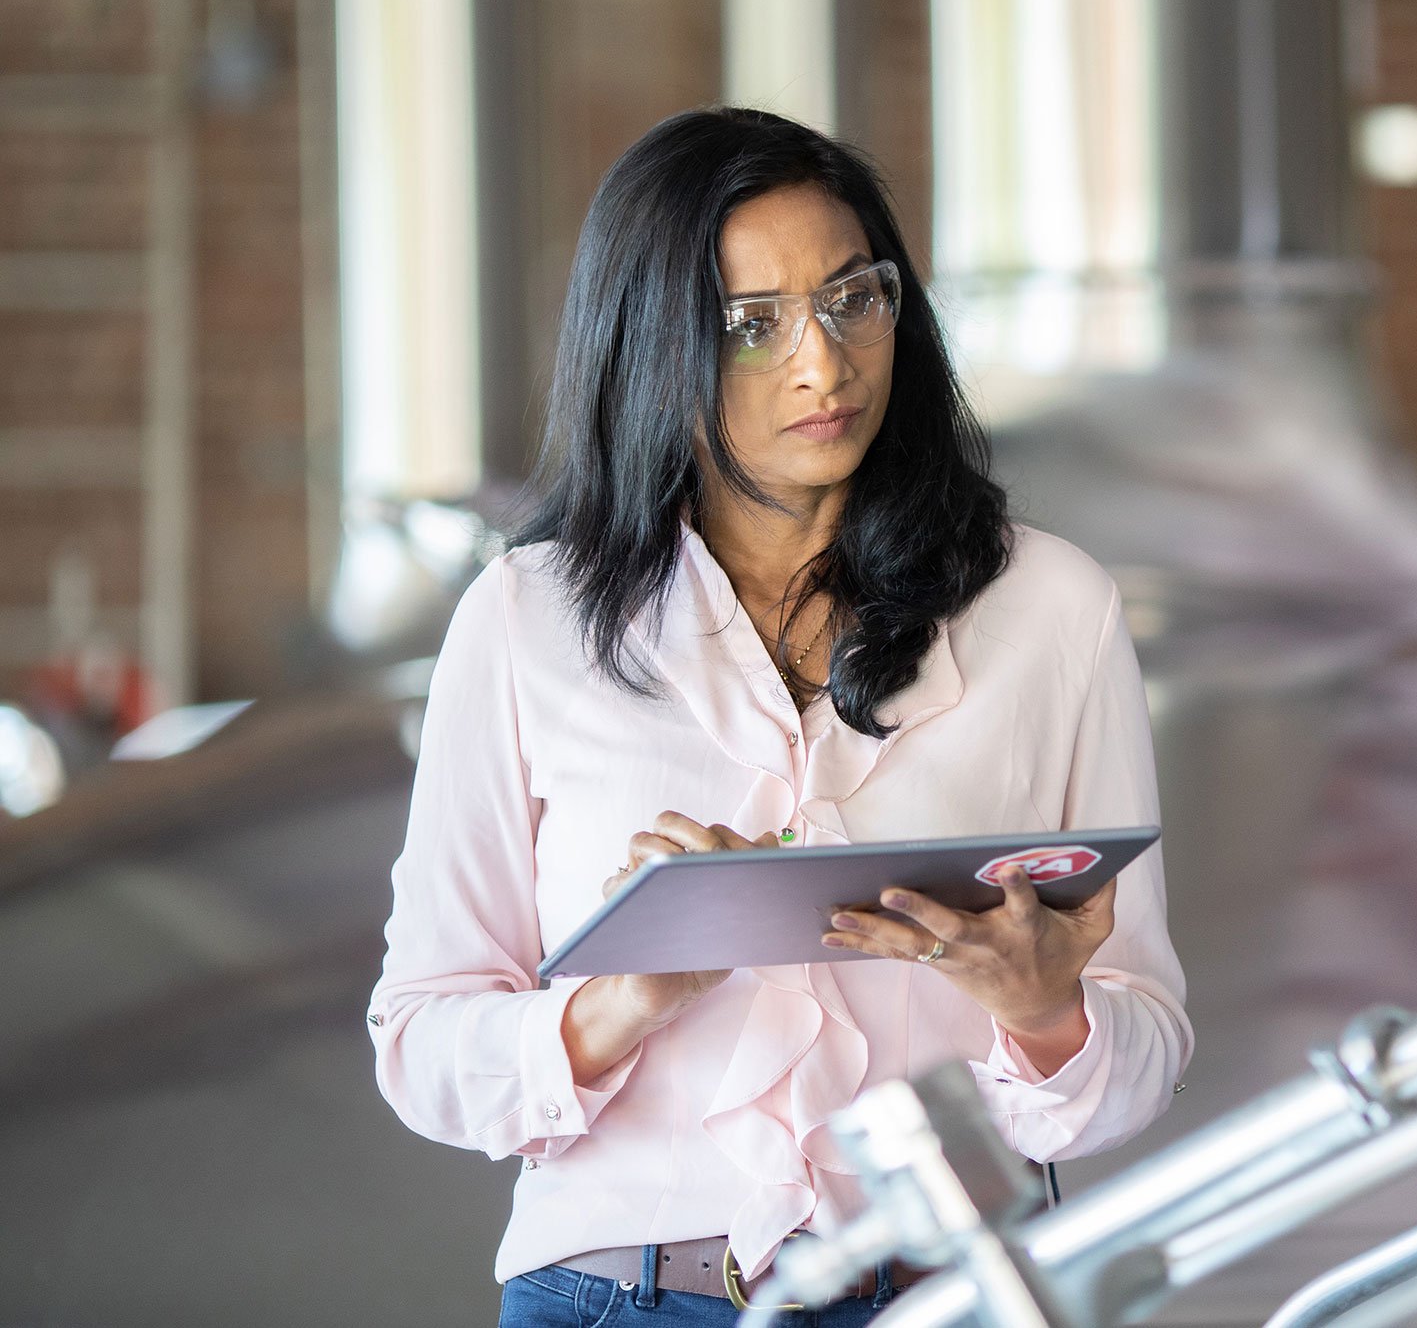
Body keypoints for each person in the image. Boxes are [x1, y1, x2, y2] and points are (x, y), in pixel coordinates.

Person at [368, 106, 1191, 1327]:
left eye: (854, 297)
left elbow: (1142, 1057)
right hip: (617, 1297)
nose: (826, 362)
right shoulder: (522, 620)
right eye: (751, 328)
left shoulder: (1050, 606)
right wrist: (626, 997)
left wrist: (1042, 1011)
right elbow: (421, 1047)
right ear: (650, 348)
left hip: (948, 1294)